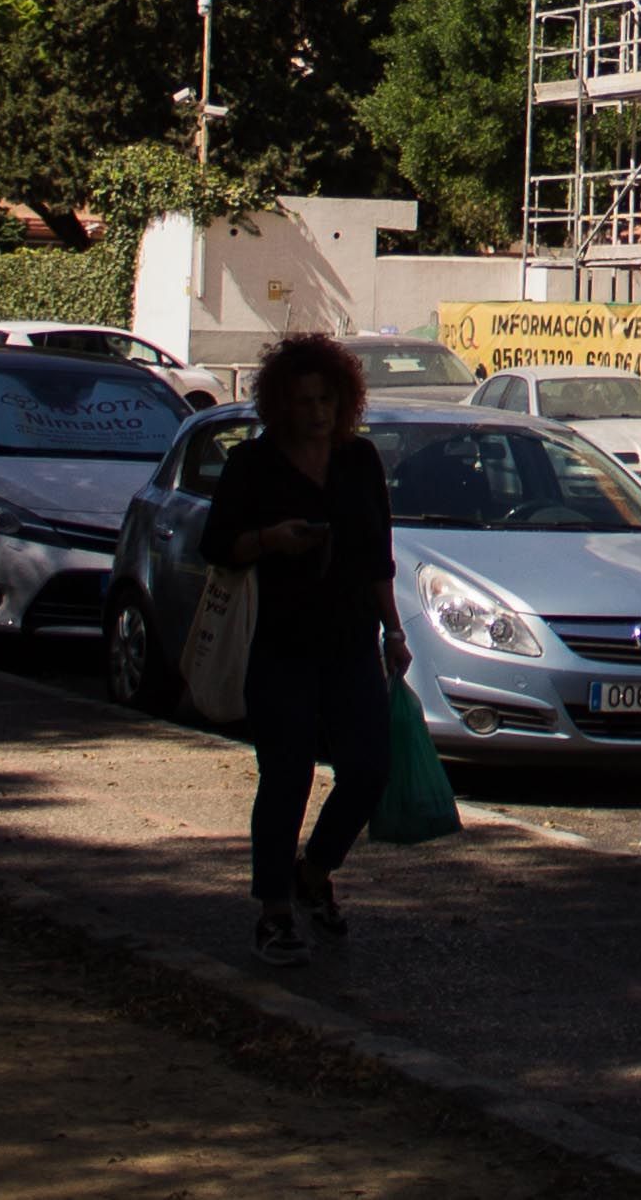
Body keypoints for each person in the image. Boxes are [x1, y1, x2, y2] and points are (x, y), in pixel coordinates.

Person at [206, 332, 407, 964]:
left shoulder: (360, 461)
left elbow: (379, 554)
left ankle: (314, 871)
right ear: (280, 405)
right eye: (302, 401)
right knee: (286, 776)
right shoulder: (253, 466)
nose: (316, 412)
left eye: (325, 399)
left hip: (351, 640)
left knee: (370, 768)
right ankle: (274, 912)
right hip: (280, 641)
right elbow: (218, 546)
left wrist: (394, 630)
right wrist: (270, 540)